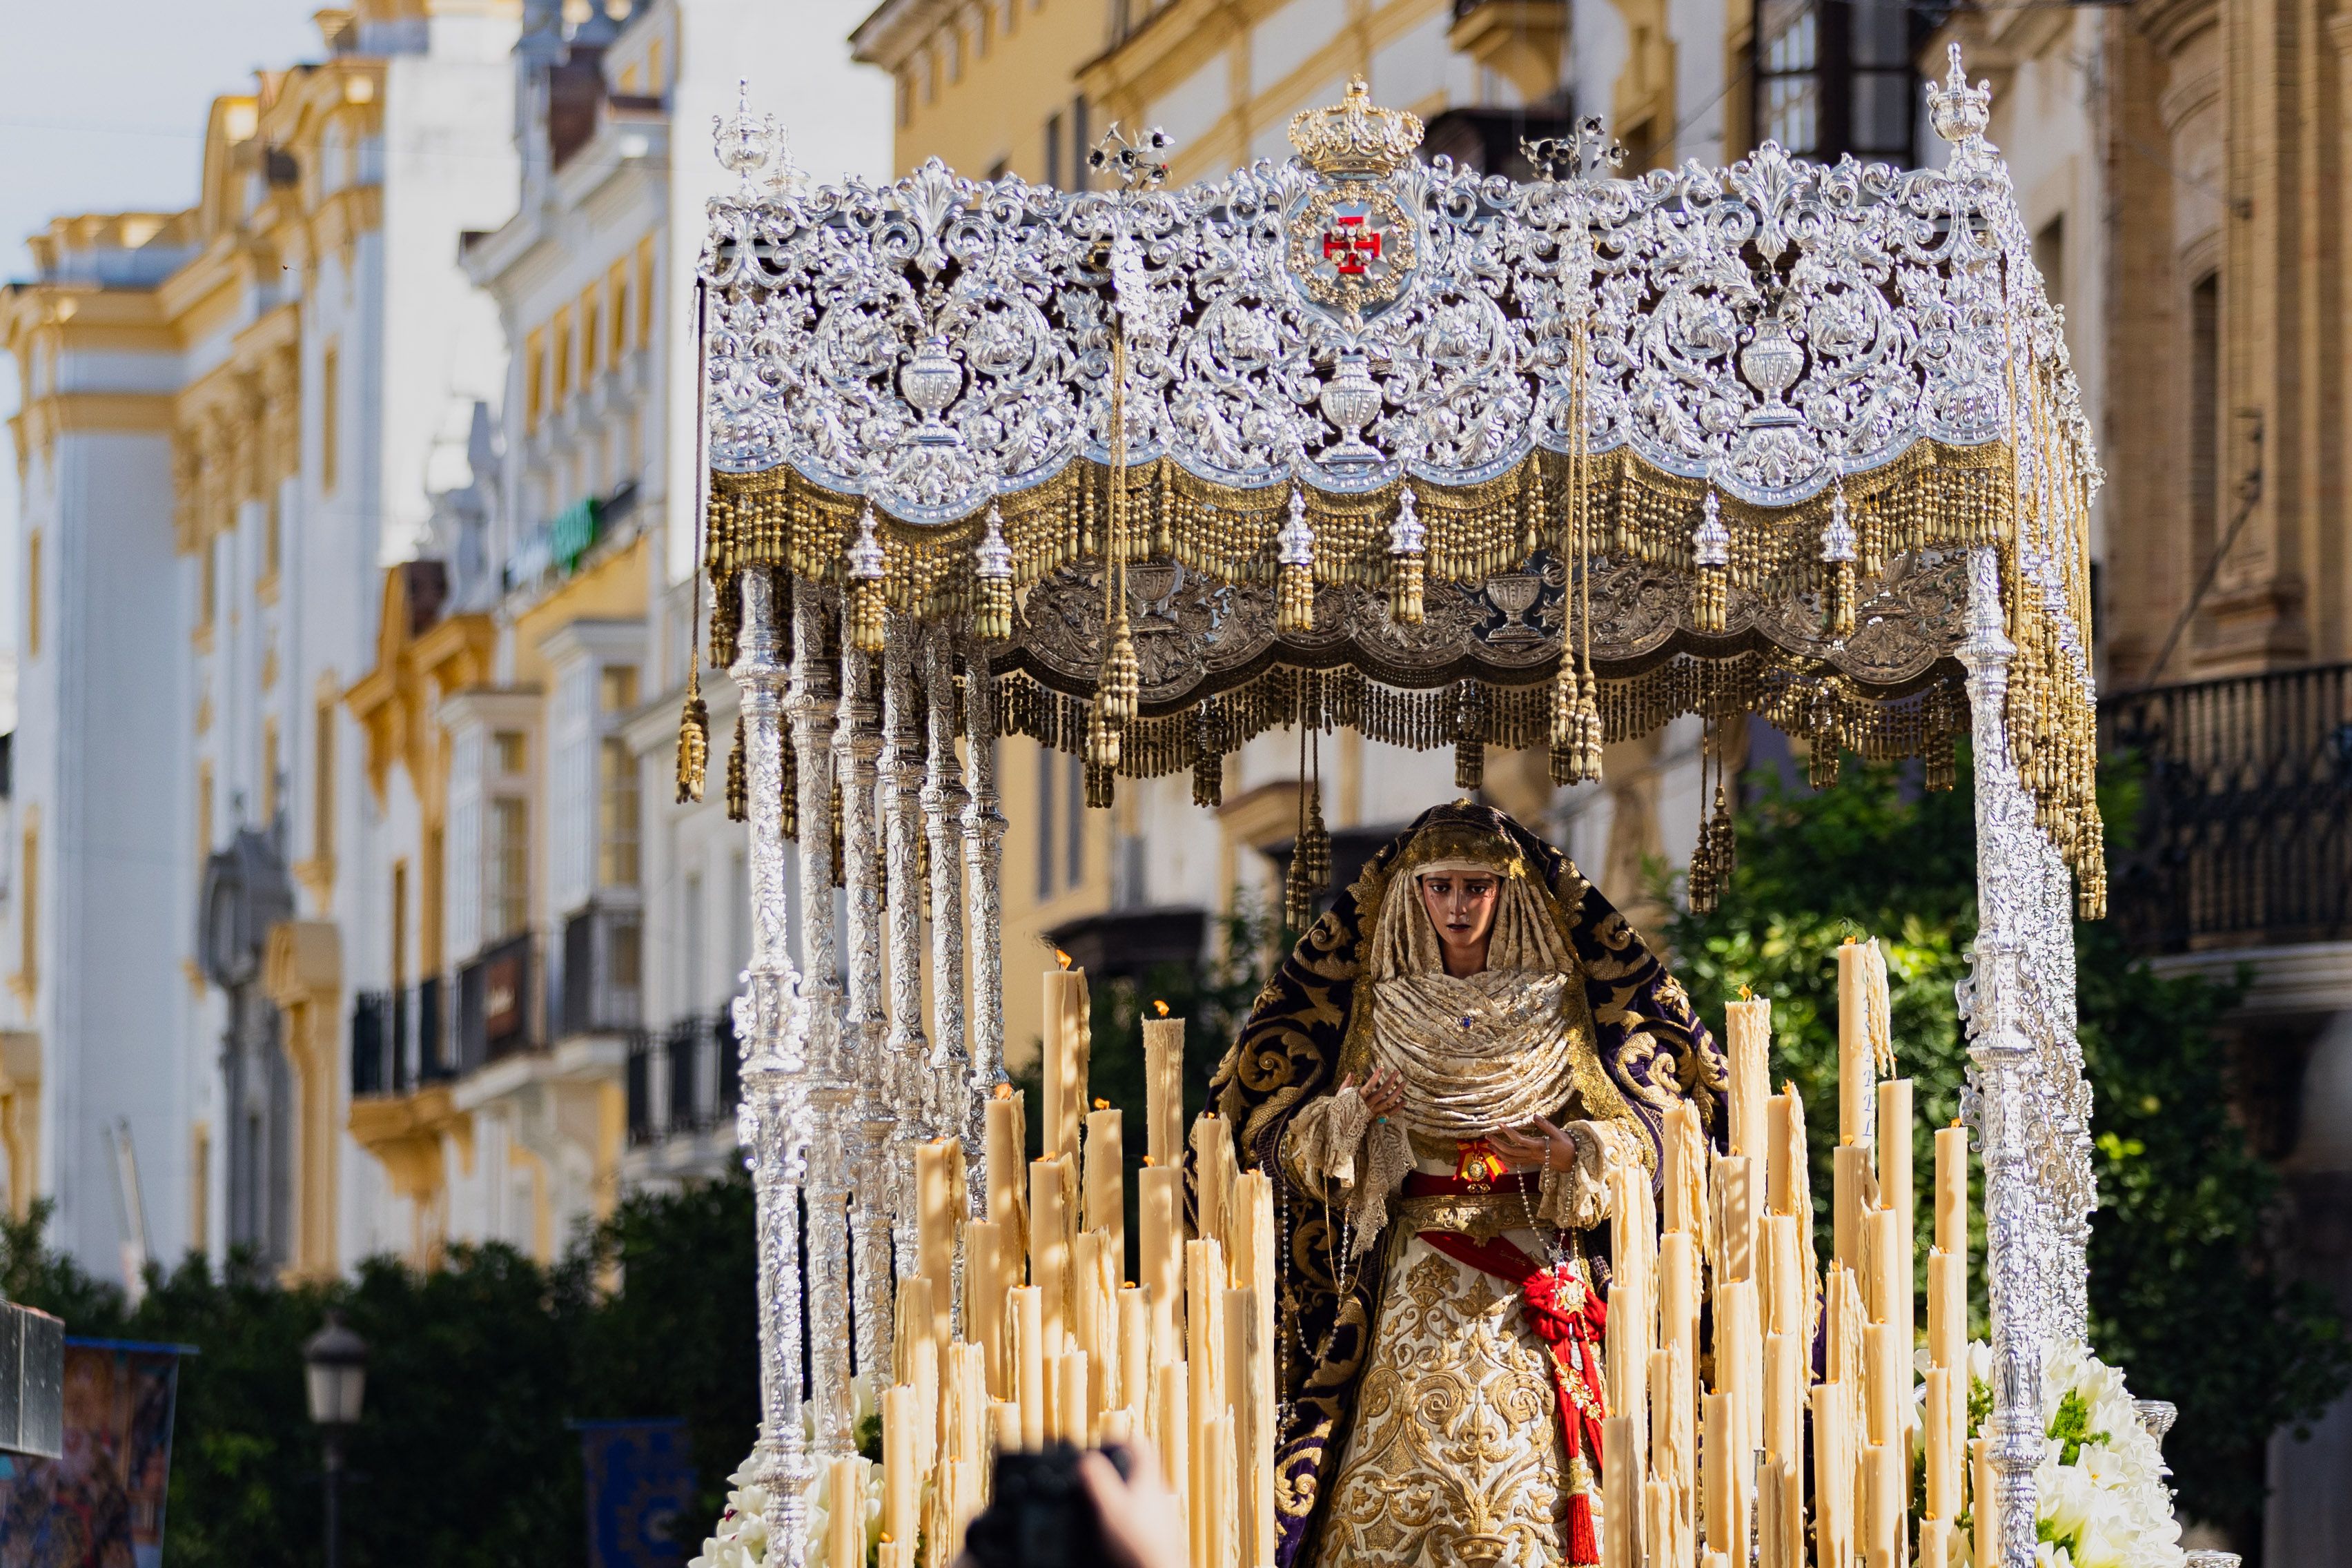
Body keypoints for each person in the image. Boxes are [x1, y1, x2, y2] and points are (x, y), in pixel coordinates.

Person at [1203, 801, 1727, 1568]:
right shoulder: (1380, 1008)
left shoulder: (1558, 1005)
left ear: (1506, 891)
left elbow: (1660, 1133)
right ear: (1415, 893)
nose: (1457, 906)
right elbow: (1281, 1139)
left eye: (1476, 887)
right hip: (1419, 1270)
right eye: (1441, 886)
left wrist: (1571, 1151)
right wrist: (1358, 1119)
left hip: (1538, 1261)